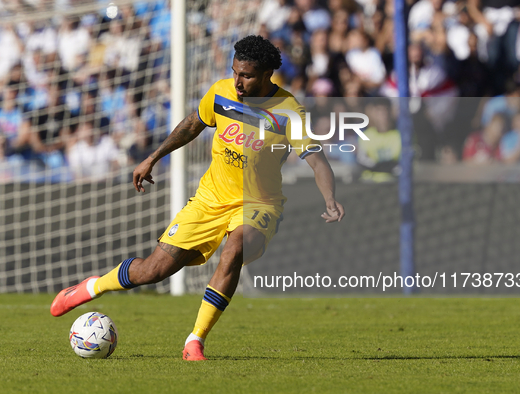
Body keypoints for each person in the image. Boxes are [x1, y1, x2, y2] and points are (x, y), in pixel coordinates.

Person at [50, 35, 344, 361]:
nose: (238, 81)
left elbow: (317, 160)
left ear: (266, 75)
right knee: (153, 271)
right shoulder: (221, 93)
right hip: (209, 201)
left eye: (246, 75)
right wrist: (153, 157)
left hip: (259, 205)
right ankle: (91, 288)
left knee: (235, 249)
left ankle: (195, 341)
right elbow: (193, 125)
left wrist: (329, 199)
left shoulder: (289, 111)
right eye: (235, 72)